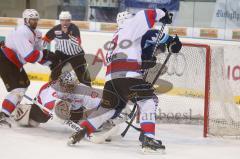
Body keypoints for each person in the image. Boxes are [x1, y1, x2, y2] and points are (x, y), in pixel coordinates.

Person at [67, 9, 182, 152]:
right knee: (148, 101)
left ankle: (82, 131)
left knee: (107, 109)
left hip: (111, 81)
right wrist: (162, 15)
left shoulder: (116, 36)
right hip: (128, 77)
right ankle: (148, 138)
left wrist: (146, 59)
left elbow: (135, 52)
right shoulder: (132, 27)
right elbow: (148, 20)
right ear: (129, 20)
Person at [0, 9, 57, 127]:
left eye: (36, 20)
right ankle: (3, 115)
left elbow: (38, 54)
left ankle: (9, 110)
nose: (34, 22)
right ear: (26, 20)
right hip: (5, 60)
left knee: (24, 85)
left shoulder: (36, 33)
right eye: (32, 20)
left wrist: (51, 64)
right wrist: (46, 55)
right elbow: (30, 56)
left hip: (14, 63)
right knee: (18, 90)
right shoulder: (22, 32)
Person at [42, 11, 91, 86]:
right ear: (60, 20)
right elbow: (46, 39)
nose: (65, 22)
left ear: (70, 21)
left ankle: (88, 89)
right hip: (61, 53)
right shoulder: (56, 29)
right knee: (56, 69)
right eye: (62, 20)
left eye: (67, 20)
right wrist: (39, 48)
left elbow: (78, 42)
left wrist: (67, 34)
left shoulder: (74, 28)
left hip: (76, 54)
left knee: (82, 73)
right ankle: (52, 87)